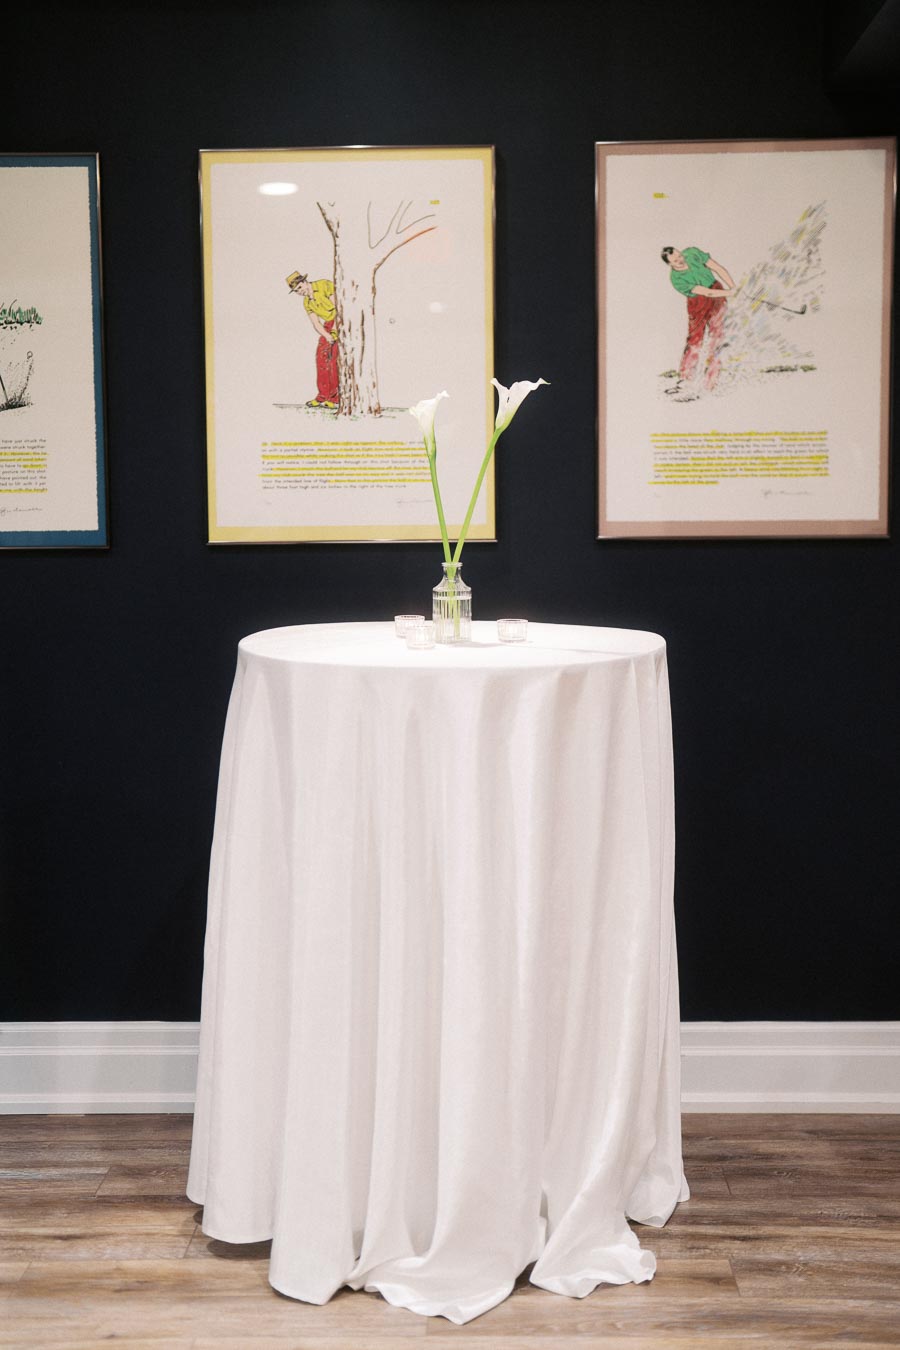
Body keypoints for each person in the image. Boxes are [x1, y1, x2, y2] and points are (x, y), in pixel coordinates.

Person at [661, 247, 735, 395]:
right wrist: (730, 293)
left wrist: (733, 286)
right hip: (698, 302)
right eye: (676, 260)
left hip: (717, 292)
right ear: (670, 264)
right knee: (695, 339)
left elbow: (718, 268)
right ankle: (686, 379)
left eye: (680, 255)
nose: (681, 259)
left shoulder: (693, 253)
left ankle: (711, 380)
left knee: (717, 335)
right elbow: (705, 292)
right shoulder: (676, 279)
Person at [286, 271, 339, 409]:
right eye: (296, 291)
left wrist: (338, 328)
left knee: (333, 361)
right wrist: (327, 336)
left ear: (304, 282)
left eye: (299, 287)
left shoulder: (323, 285)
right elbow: (316, 323)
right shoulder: (307, 302)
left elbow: (340, 307)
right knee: (321, 359)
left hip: (340, 322)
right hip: (327, 326)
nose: (299, 292)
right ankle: (322, 396)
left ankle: (334, 398)